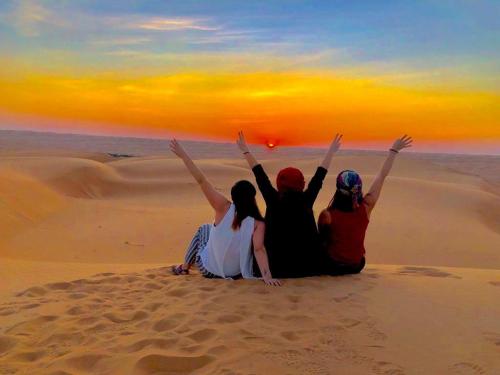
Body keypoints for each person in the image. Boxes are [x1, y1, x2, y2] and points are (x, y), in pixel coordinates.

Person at [169, 139, 280, 286]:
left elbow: (202, 180)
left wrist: (184, 155)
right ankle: (187, 266)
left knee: (204, 229)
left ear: (234, 197)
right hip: (236, 273)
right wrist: (268, 277)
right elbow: (259, 249)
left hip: (208, 270)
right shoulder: (258, 222)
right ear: (252, 198)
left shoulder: (224, 207)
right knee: (209, 230)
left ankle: (183, 268)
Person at [236, 131, 343, 278]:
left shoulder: (273, 198)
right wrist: (331, 151)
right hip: (308, 267)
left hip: (276, 268)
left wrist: (246, 150)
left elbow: (259, 175)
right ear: (301, 183)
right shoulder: (306, 199)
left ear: (280, 183)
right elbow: (320, 176)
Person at [318, 135, 413, 275]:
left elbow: (322, 242)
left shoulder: (327, 215)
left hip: (333, 266)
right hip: (356, 266)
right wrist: (393, 151)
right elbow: (381, 176)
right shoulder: (366, 207)